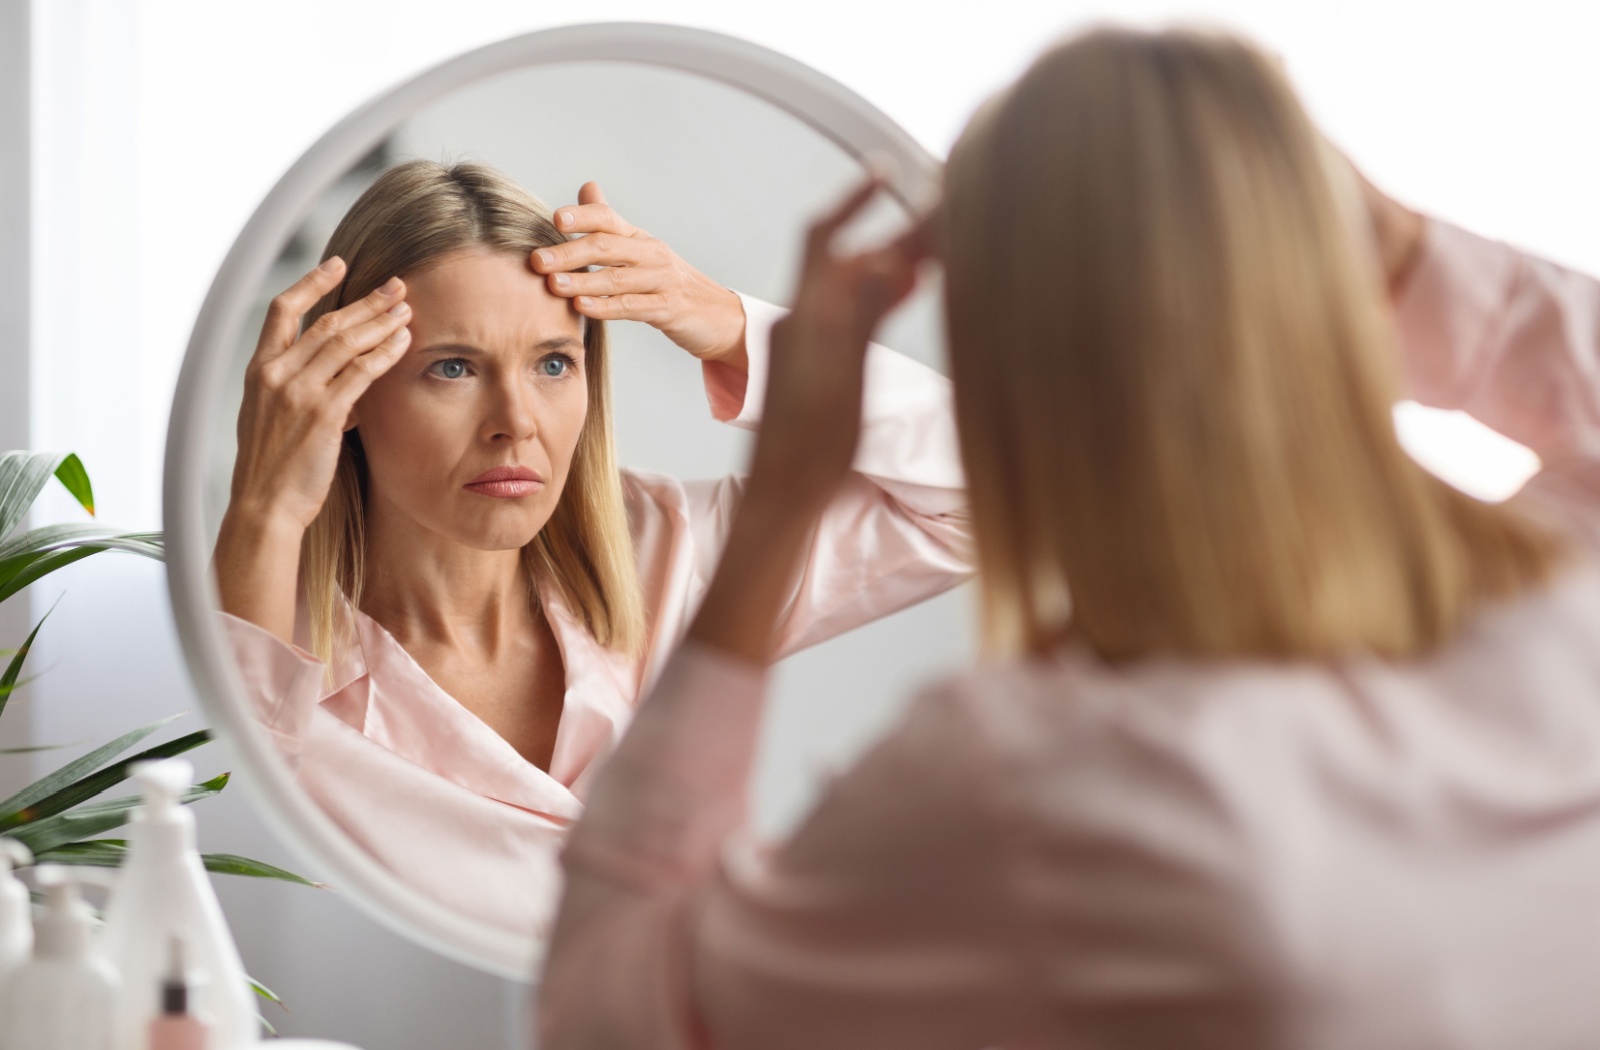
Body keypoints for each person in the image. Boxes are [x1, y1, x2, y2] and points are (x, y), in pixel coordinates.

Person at [540, 26, 1600, 1050]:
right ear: (1336, 273)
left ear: (1005, 368)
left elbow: (604, 1021)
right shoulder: (1569, 608)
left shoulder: (1043, 786)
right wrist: (1399, 247)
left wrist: (776, 512)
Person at [213, 160, 969, 935]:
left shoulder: (668, 553)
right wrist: (264, 515)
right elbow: (221, 888)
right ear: (345, 389)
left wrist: (729, 323)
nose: (517, 421)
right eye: (452, 367)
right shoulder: (269, 634)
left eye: (552, 363)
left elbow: (986, 488)